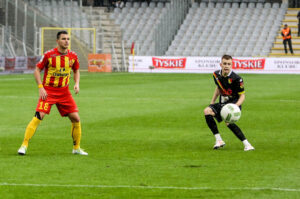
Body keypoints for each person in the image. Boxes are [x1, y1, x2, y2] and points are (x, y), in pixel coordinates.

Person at [17, 31, 88, 156]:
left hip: (64, 92)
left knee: (76, 118)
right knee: (39, 116)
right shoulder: (49, 55)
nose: (66, 41)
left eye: (68, 39)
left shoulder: (73, 56)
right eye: (63, 39)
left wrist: (76, 83)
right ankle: (24, 145)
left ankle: (76, 148)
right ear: (58, 41)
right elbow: (37, 70)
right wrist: (41, 87)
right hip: (49, 91)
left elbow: (76, 70)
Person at [203, 55, 254, 151]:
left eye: (229, 64)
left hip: (234, 103)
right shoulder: (216, 75)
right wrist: (212, 102)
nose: (226, 66)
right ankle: (219, 140)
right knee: (207, 111)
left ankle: (247, 145)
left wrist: (235, 106)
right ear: (221, 64)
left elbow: (242, 95)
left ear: (232, 65)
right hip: (223, 102)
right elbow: (218, 88)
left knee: (228, 122)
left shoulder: (237, 79)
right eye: (225, 64)